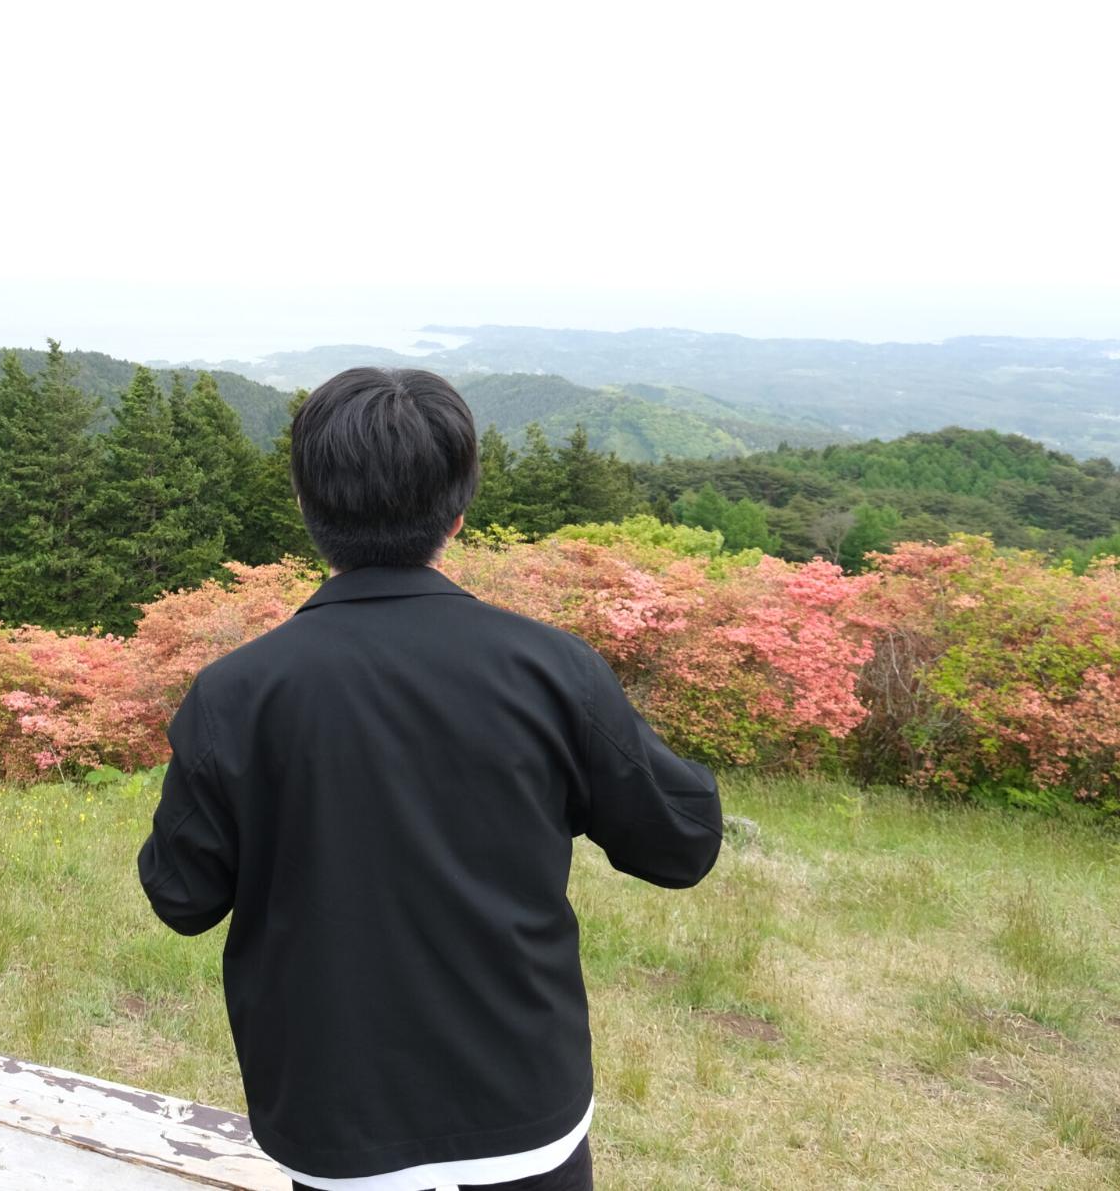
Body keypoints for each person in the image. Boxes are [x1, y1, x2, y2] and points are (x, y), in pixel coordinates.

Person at [137, 368, 721, 1191]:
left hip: (332, 1119)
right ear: (458, 511)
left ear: (308, 509)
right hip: (526, 1108)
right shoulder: (552, 671)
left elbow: (181, 897)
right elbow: (683, 844)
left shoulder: (234, 693)